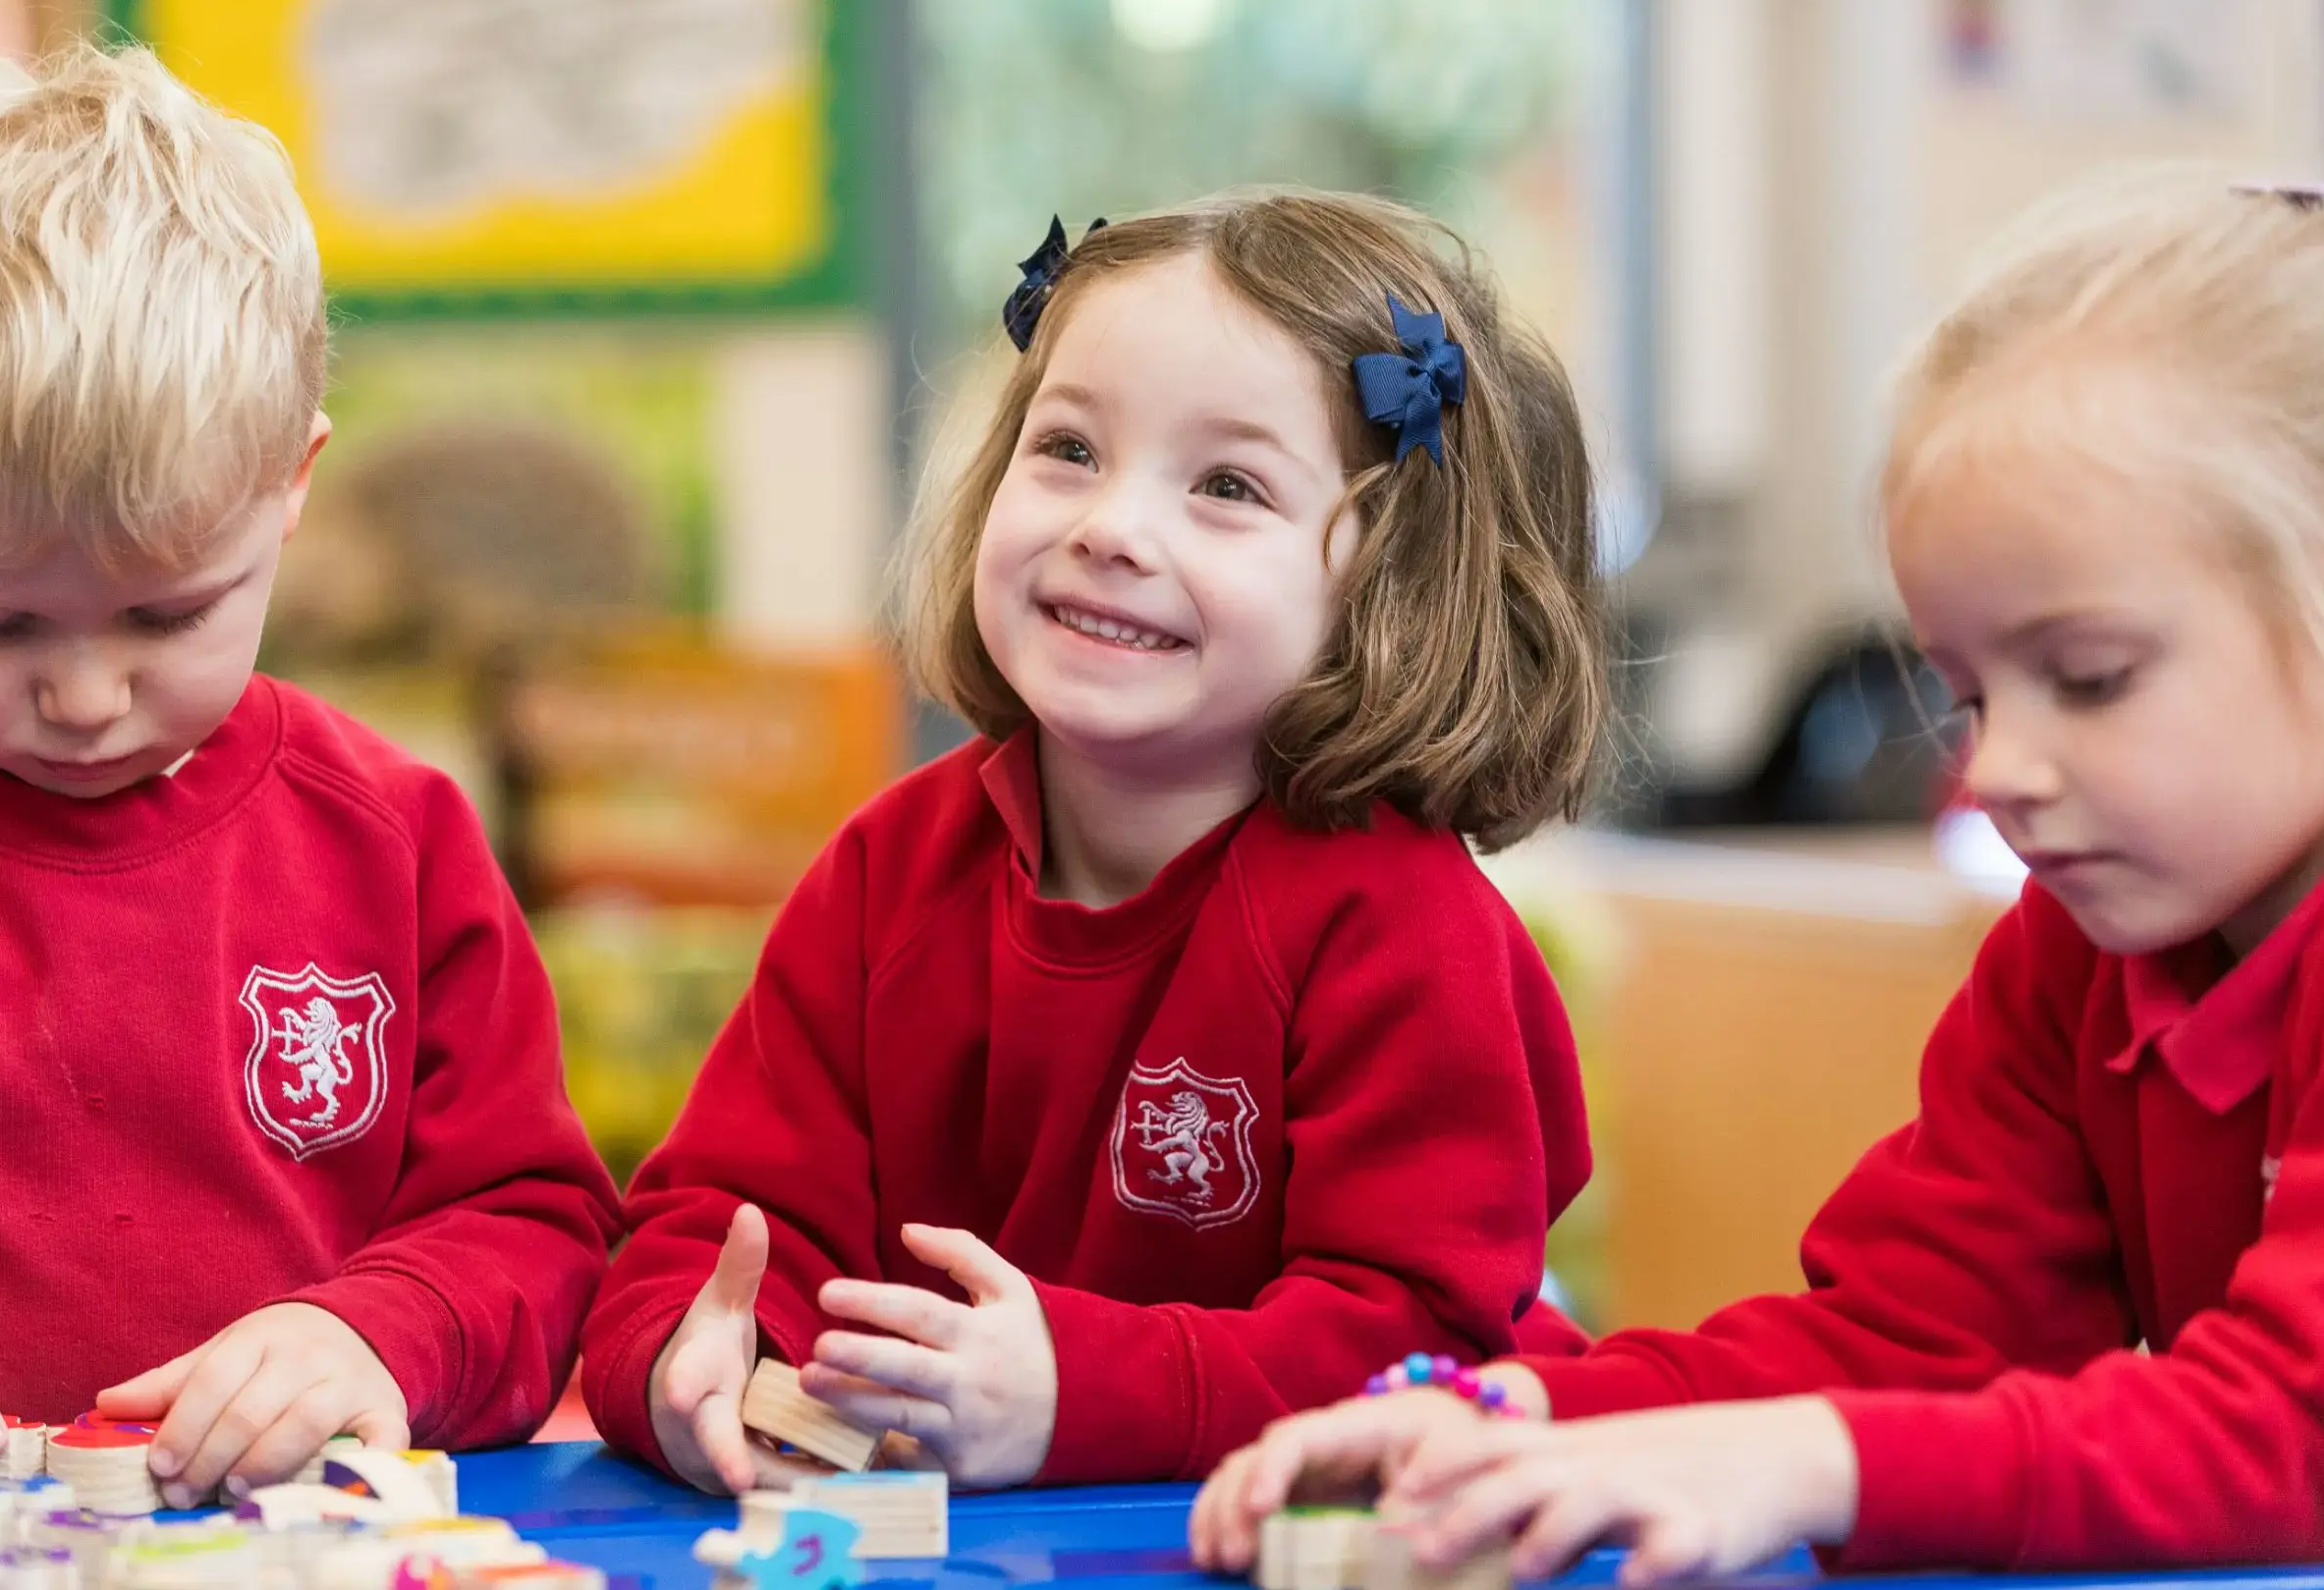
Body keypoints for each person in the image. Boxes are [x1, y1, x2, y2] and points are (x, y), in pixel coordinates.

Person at [1193, 171, 2324, 1579]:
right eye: (1971, 694)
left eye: (2092, 677)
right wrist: (1526, 1417)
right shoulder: (2081, 947)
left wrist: (1810, 1461)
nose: (1995, 772)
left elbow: (2320, 1433)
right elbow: (1906, 1339)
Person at [581, 190, 1606, 1490]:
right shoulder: (889, 868)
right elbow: (715, 1223)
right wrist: (690, 1358)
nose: (1110, 528)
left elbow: (1415, 1344)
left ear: (1390, 584)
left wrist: (1077, 1393)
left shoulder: (1403, 925)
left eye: (1227, 484)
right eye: (1067, 448)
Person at [0, 43, 621, 1504]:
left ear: (293, 485)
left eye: (166, 613)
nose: (84, 696)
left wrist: (377, 1336)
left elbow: (530, 1222)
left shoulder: (393, 843)